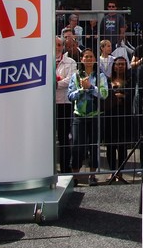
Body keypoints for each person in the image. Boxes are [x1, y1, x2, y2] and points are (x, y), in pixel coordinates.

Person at [68, 48, 108, 186]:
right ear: (82, 59)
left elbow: (104, 94)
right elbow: (70, 95)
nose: (89, 59)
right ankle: (75, 175)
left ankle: (92, 175)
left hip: (95, 115)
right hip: (79, 116)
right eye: (86, 57)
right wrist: (82, 90)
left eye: (91, 56)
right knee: (77, 146)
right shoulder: (75, 76)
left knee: (94, 146)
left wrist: (91, 87)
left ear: (95, 59)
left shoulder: (100, 76)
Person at [103, 56, 134, 183]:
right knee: (110, 146)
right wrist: (118, 95)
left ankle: (120, 172)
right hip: (110, 116)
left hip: (124, 116)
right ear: (114, 66)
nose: (120, 66)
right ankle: (112, 171)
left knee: (122, 146)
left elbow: (132, 95)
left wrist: (122, 96)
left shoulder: (130, 80)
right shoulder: (107, 80)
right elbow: (105, 95)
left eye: (123, 64)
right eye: (118, 64)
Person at [55, 36, 77, 174]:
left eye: (59, 45)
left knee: (64, 138)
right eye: (55, 44)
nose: (57, 47)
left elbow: (71, 80)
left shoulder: (70, 62)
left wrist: (55, 83)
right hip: (48, 105)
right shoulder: (46, 59)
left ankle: (65, 170)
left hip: (63, 103)